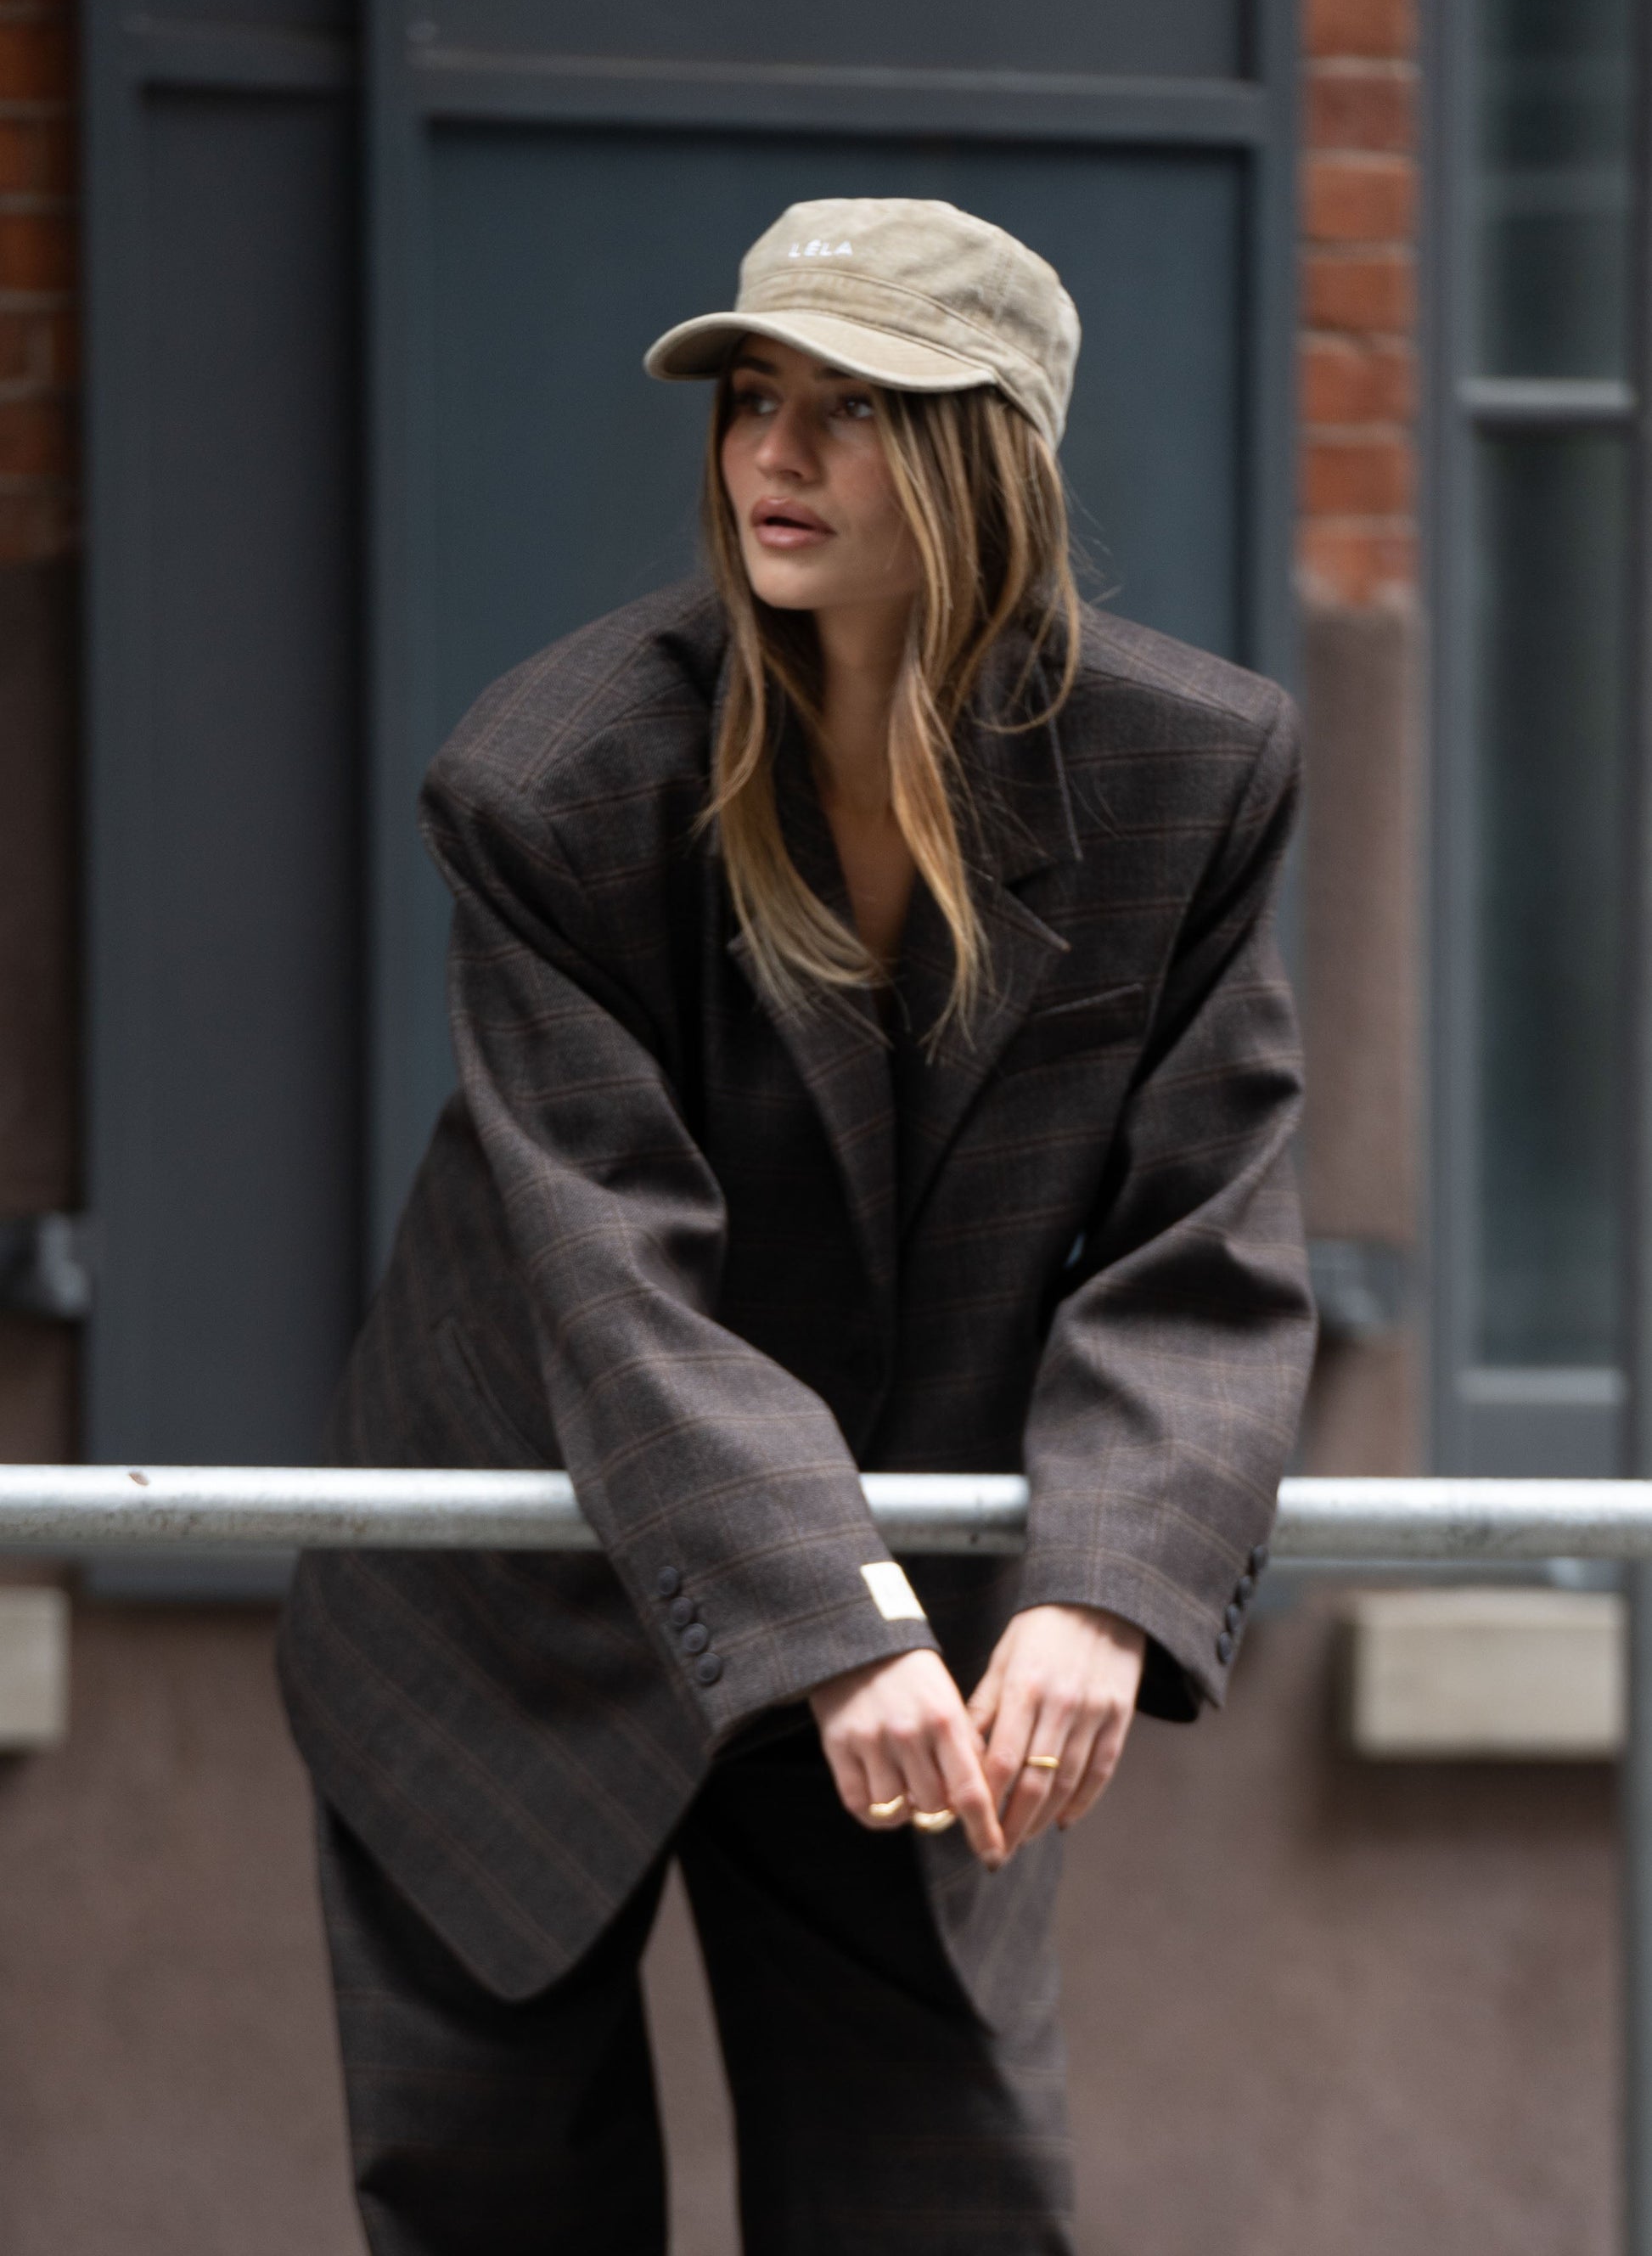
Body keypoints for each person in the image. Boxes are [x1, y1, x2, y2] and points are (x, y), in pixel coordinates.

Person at [279, 196, 1315, 2255]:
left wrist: (1099, 1585)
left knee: (951, 2200)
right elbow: (610, 1266)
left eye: (856, 410)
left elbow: (1202, 1233)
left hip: (926, 1641)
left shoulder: (1188, 770)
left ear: (987, 451)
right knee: (499, 2208)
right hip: (515, 1607)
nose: (778, 454)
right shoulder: (554, 779)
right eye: (759, 397)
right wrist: (823, 1609)